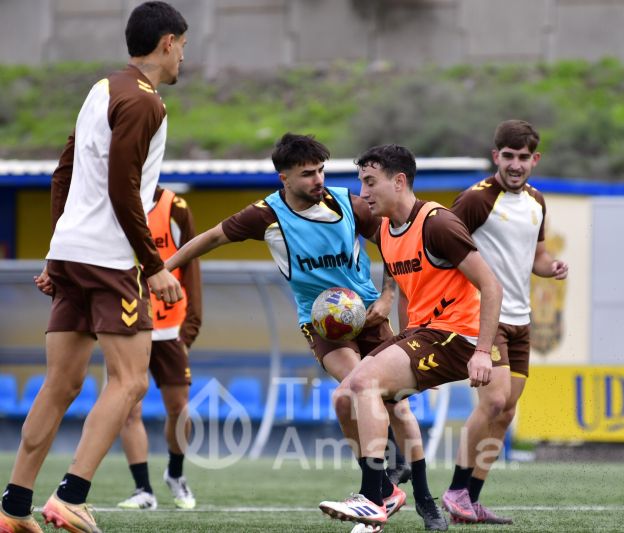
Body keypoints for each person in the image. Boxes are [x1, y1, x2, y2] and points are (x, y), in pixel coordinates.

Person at [163, 134, 445, 530]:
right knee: (349, 395)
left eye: (321, 171)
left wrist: (385, 296)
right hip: (324, 326)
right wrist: (164, 268)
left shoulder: (349, 204)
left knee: (397, 406)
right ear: (284, 178)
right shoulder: (267, 216)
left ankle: (424, 496)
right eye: (308, 174)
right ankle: (380, 490)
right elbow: (210, 238)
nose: (318, 180)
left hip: (369, 317)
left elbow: (392, 245)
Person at [0, 3, 187, 532]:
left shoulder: (100, 89)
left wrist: (57, 248)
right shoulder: (147, 104)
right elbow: (122, 187)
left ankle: (13, 509)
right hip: (109, 260)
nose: (183, 58)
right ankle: (71, 495)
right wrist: (153, 265)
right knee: (129, 382)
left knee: (60, 383)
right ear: (169, 42)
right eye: (184, 47)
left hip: (72, 252)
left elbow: (63, 172)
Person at [318, 144, 504, 531]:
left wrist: (483, 352)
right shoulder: (386, 229)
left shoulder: (438, 223)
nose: (363, 192)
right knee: (342, 397)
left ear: (399, 182)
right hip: (423, 333)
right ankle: (395, 492)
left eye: (370, 182)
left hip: (458, 336)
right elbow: (404, 287)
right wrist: (401, 337)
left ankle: (372, 498)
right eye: (361, 183)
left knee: (366, 381)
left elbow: (491, 285)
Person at [443, 119, 568, 525]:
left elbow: (538, 258)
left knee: (507, 411)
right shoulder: (476, 200)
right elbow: (440, 241)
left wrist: (553, 268)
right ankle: (455, 490)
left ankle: (471, 500)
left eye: (524, 157)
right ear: (496, 156)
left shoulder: (537, 201)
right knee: (493, 400)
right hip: (484, 317)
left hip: (521, 320)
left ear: (536, 159)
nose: (516, 165)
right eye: (508, 156)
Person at [115, 186, 202, 511]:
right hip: (126, 322)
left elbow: (192, 264)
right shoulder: (113, 199)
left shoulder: (174, 206)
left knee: (179, 409)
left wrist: (192, 324)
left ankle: (175, 474)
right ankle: (143, 490)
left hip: (170, 326)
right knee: (128, 407)